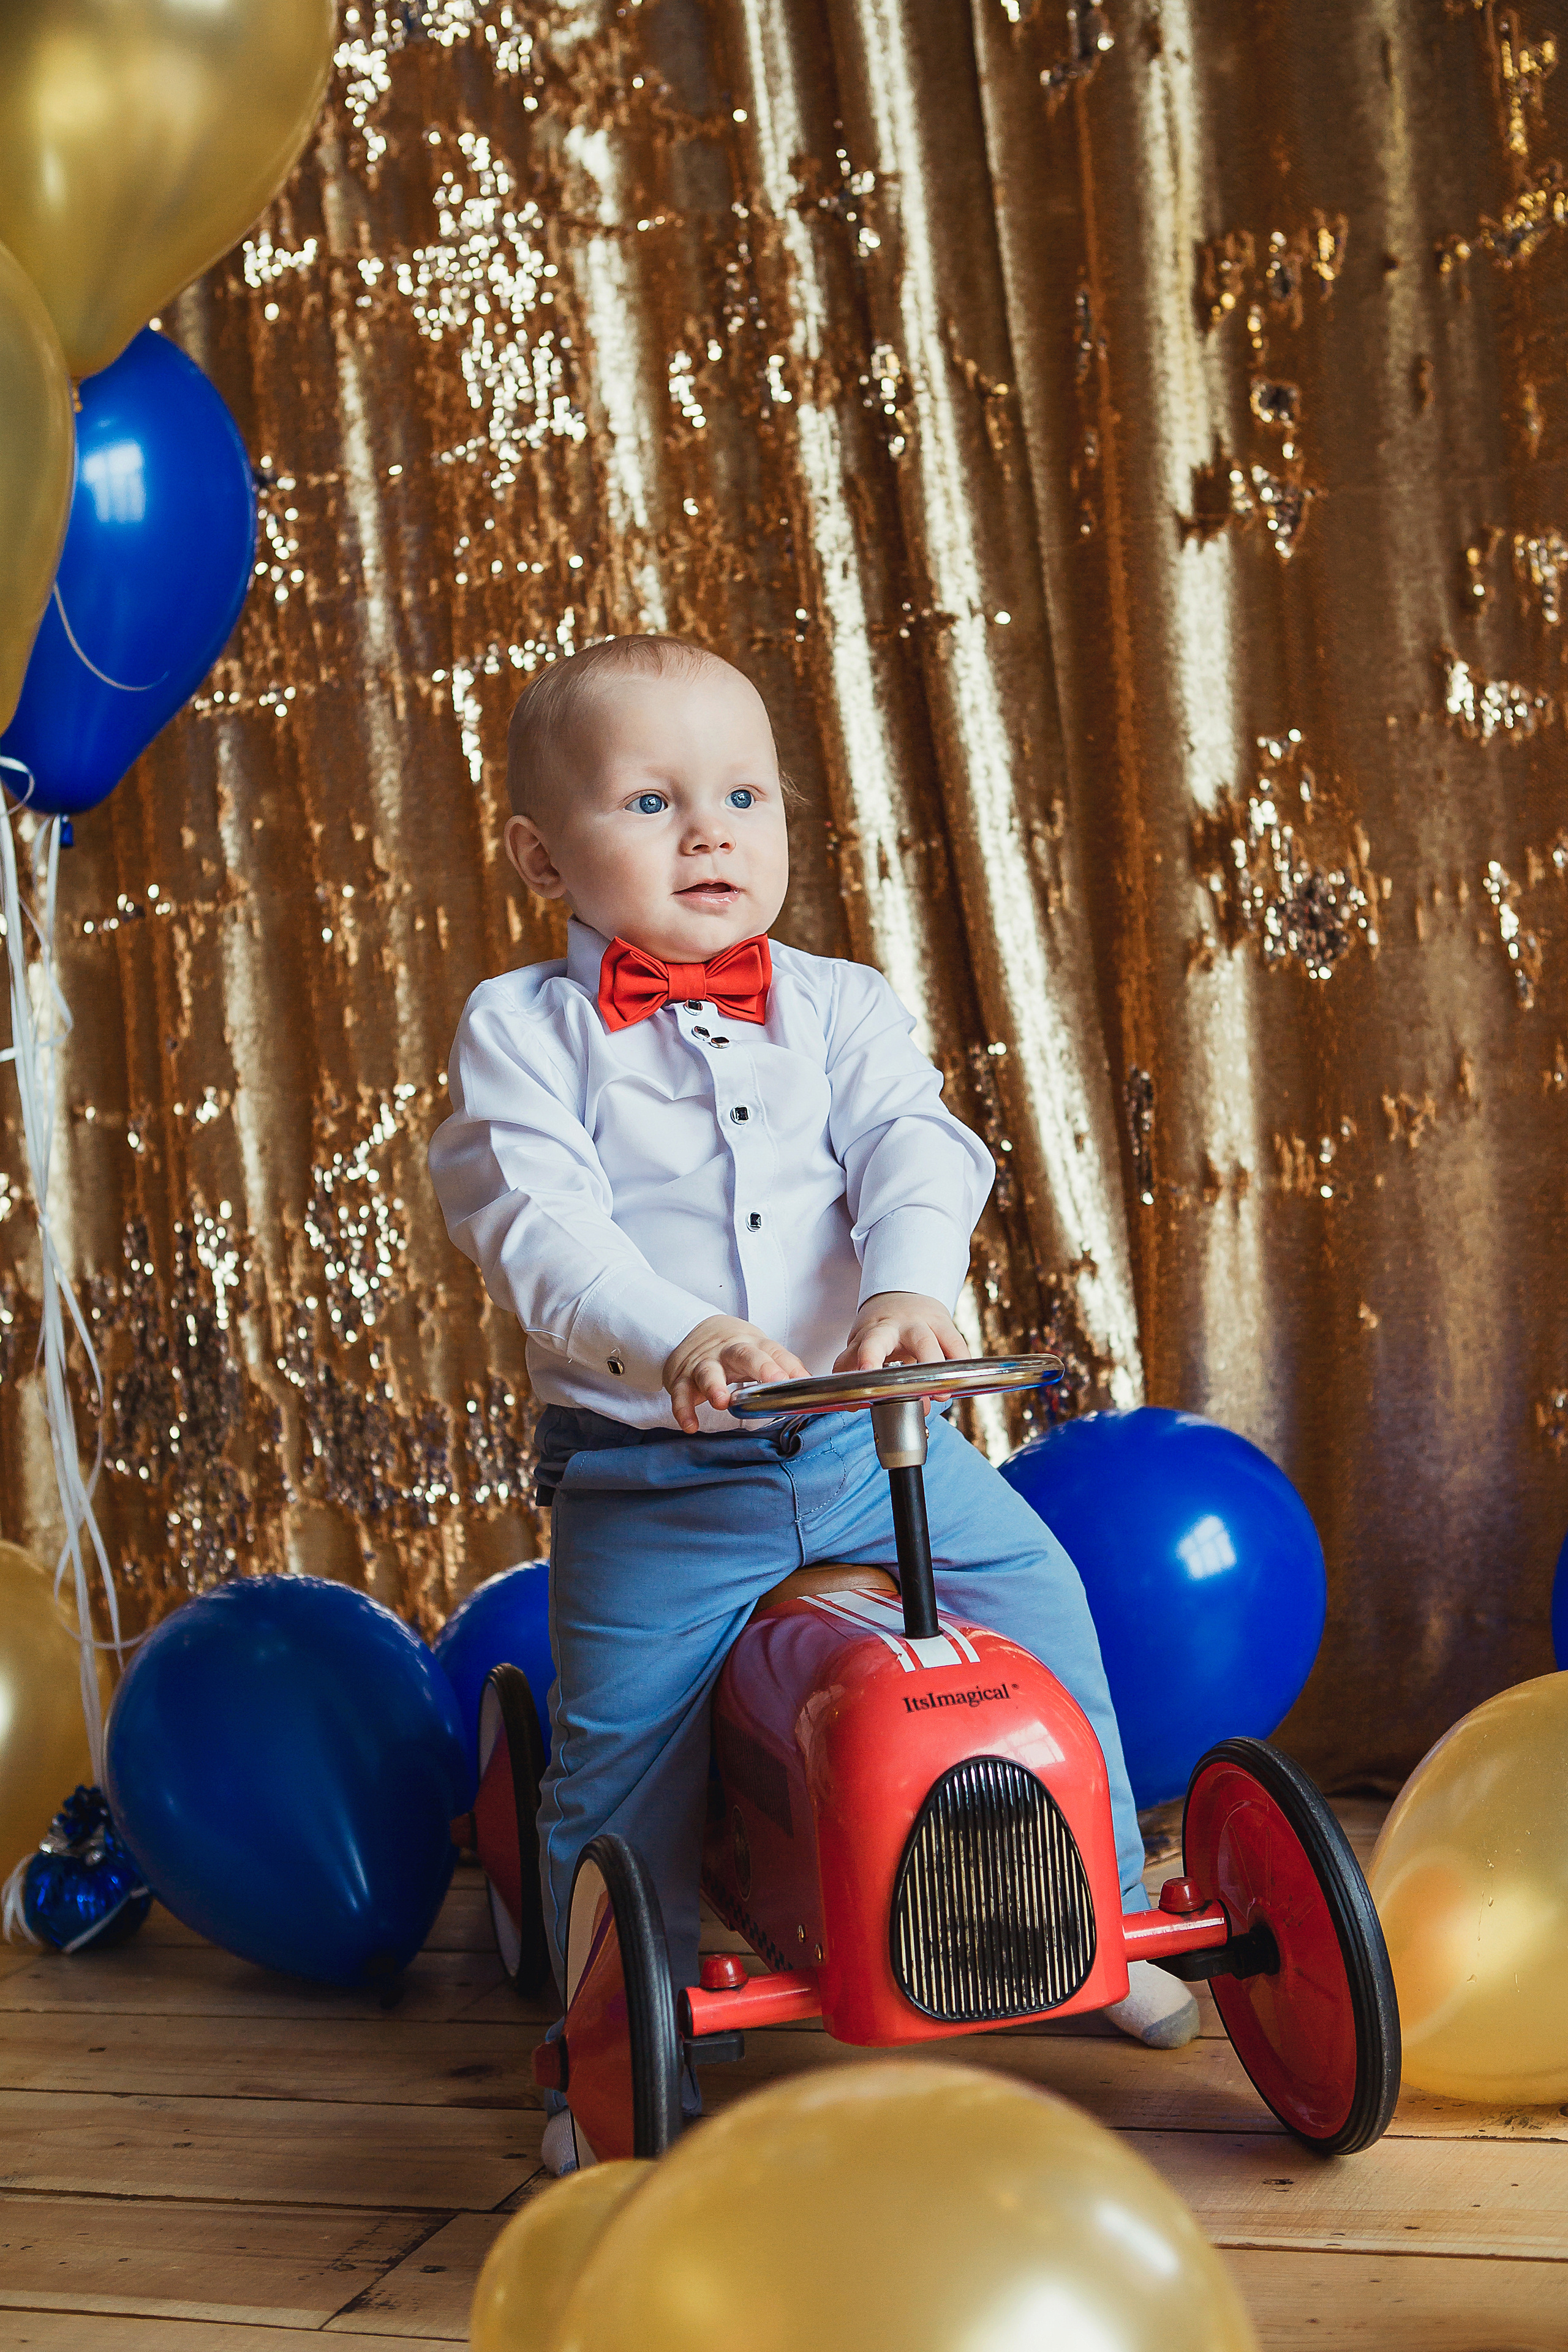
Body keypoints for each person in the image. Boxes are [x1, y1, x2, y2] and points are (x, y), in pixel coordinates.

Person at [428, 636, 1197, 2165]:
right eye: (648, 800)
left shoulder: (840, 1006)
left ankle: (1104, 1893)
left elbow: (915, 1148)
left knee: (1030, 1586)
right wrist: (682, 1337)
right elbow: (540, 1227)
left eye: (739, 794)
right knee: (626, 1747)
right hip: (657, 1477)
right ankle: (612, 2019)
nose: (708, 831)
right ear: (537, 854)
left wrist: (909, 1281)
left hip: (865, 1444)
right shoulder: (523, 1032)